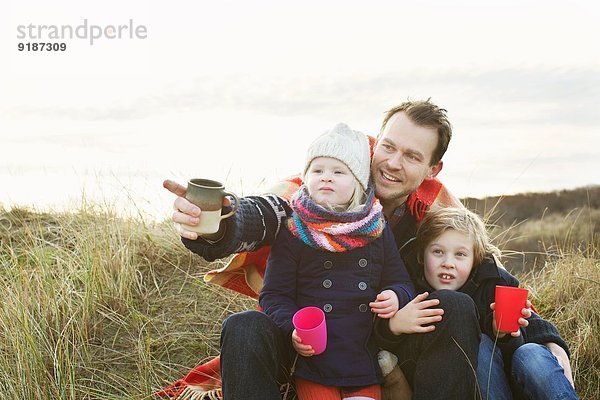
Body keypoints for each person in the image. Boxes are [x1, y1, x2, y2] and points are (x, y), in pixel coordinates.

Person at [163, 99, 573, 399]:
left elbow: (487, 272)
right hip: (307, 334)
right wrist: (217, 223)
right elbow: (265, 213)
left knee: (456, 306)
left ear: (432, 168)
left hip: (386, 339)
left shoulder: (433, 206)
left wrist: (546, 338)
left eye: (412, 156)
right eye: (389, 146)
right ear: (374, 143)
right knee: (244, 325)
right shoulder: (326, 187)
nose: (394, 163)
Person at [259, 123, 415, 400]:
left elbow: (401, 280)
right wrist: (292, 327)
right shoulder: (294, 230)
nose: (326, 178)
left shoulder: (376, 228)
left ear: (358, 182)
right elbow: (274, 295)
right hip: (313, 361)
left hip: (360, 357)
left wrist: (395, 296)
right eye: (317, 170)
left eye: (338, 171)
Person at [376, 207, 578, 400]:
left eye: (460, 254)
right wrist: (394, 326)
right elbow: (374, 331)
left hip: (502, 379)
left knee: (527, 352)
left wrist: (504, 334)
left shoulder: (492, 282)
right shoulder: (406, 283)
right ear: (421, 255)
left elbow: (529, 321)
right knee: (481, 345)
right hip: (428, 373)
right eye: (438, 252)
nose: (448, 262)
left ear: (475, 260)